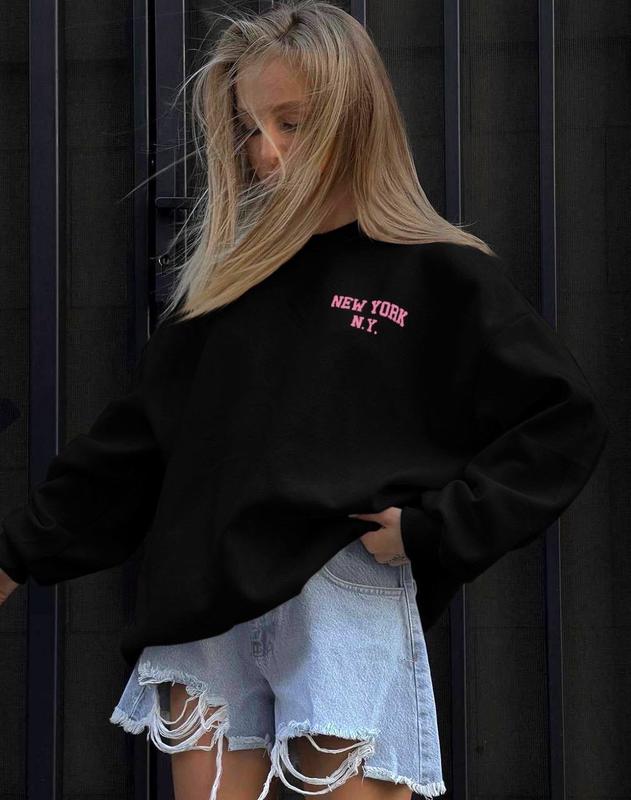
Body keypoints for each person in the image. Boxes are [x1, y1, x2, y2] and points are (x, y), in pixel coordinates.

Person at [0, 3, 609, 800]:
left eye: (290, 122)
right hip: (208, 599)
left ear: (356, 114)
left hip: (339, 588)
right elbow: (133, 447)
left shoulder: (438, 274)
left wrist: (436, 528)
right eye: (249, 128)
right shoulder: (228, 286)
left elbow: (560, 419)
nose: (265, 151)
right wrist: (16, 555)